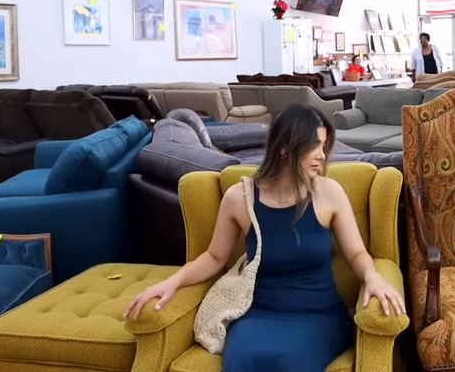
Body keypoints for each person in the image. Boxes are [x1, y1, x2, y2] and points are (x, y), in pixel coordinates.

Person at [123, 104, 406, 371]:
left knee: (288, 362)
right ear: (284, 148)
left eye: (324, 145)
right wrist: (172, 282)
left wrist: (372, 277)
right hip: (257, 314)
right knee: (244, 360)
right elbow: (214, 257)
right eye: (313, 146)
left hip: (318, 315)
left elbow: (356, 253)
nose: (322, 155)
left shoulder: (329, 192)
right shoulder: (239, 198)